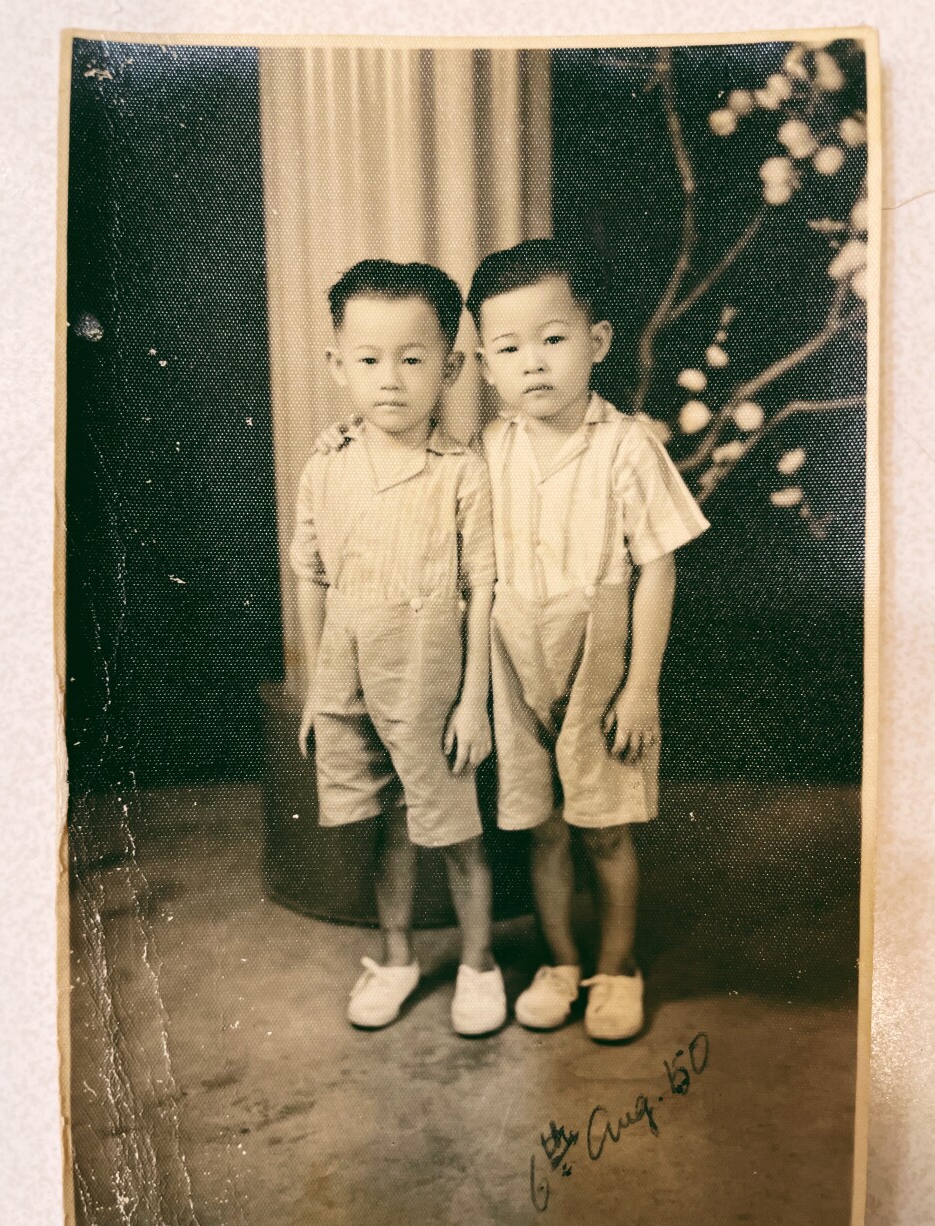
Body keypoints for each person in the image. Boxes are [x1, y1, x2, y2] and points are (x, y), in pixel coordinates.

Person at [465, 238, 710, 1041]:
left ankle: (616, 966)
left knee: (604, 829)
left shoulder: (626, 446)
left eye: (553, 339)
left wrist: (640, 686)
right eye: (509, 348)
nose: (532, 363)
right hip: (517, 666)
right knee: (542, 828)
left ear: (596, 342)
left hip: (601, 671)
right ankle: (559, 961)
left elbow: (659, 570)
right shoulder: (488, 451)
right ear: (484, 365)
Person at [291, 258, 506, 1036]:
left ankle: (479, 967)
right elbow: (310, 575)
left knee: (454, 830)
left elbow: (484, 588)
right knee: (383, 826)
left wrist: (474, 700)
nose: (390, 380)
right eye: (369, 360)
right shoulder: (325, 467)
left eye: (413, 360)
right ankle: (397, 955)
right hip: (350, 682)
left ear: (450, 368)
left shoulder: (462, 475)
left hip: (431, 687)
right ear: (338, 364)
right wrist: (319, 688)